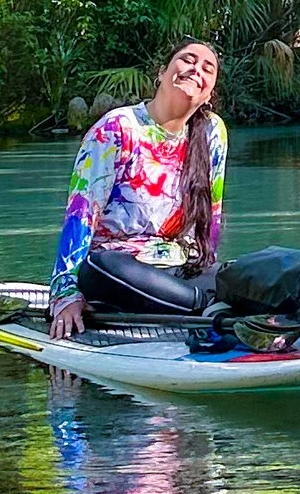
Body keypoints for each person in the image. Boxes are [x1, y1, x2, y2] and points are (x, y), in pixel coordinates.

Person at [46, 39, 228, 339]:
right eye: (187, 60)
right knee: (103, 265)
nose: (196, 70)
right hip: (120, 271)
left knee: (246, 275)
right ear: (161, 72)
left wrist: (212, 271)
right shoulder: (117, 128)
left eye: (208, 69)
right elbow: (81, 214)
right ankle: (212, 308)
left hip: (180, 269)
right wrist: (65, 293)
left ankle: (212, 302)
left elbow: (212, 215)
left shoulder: (212, 132)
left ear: (210, 94)